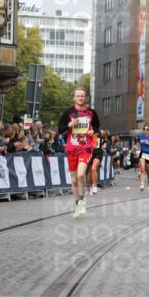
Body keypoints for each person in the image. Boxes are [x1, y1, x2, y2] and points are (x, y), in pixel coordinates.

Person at [57, 87, 101, 218]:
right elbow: (60, 129)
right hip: (72, 148)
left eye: (82, 96)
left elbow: (97, 127)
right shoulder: (68, 112)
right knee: (74, 179)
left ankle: (82, 200)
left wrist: (94, 132)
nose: (80, 98)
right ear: (74, 98)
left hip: (86, 148)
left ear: (85, 97)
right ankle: (77, 203)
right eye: (78, 96)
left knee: (81, 175)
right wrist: (69, 124)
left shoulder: (91, 112)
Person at [87, 129, 107, 196]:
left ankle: (95, 186)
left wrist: (103, 144)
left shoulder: (101, 132)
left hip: (98, 153)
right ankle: (91, 187)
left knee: (93, 168)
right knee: (89, 173)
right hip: (89, 154)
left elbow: (105, 138)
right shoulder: (86, 131)